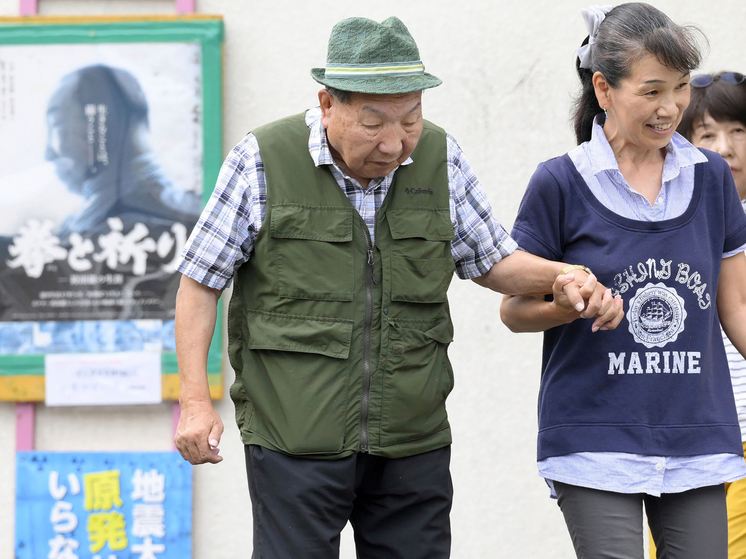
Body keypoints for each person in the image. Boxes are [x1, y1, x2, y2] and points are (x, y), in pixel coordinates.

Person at [173, 15, 623, 559]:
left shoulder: (440, 156)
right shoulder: (262, 159)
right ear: (327, 104)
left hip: (413, 434)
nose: (395, 144)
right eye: (373, 123)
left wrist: (562, 276)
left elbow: (493, 261)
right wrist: (196, 402)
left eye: (410, 119)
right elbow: (201, 282)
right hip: (291, 434)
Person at [500, 4, 746, 558]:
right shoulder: (560, 182)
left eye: (681, 88)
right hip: (593, 438)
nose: (672, 108)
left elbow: (736, 309)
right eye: (652, 91)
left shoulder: (711, 182)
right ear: (604, 89)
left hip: (697, 436)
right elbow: (514, 309)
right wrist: (567, 301)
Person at [651, 70, 746, 558]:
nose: (725, 149)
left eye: (738, 131)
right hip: (683, 437)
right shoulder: (669, 220)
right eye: (707, 134)